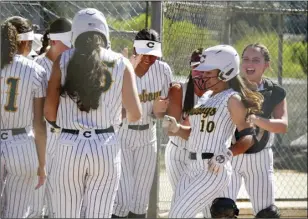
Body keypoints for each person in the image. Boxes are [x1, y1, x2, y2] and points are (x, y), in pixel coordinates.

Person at [44, 8, 142, 218]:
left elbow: (49, 112)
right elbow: (135, 114)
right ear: (104, 32)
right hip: (105, 144)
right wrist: (115, 114)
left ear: (75, 33)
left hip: (69, 144)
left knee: (65, 214)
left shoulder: (62, 60)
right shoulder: (121, 62)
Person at [162, 45, 264, 218]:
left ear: (225, 72)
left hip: (212, 169)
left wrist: (227, 154)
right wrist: (178, 129)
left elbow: (249, 137)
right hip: (191, 167)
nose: (203, 76)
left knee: (178, 215)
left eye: (209, 73)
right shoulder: (207, 96)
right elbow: (196, 134)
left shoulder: (232, 99)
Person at [209, 43, 288, 218]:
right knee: (222, 209)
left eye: (256, 60)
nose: (249, 64)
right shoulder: (229, 87)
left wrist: (256, 120)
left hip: (260, 157)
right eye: (245, 59)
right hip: (231, 154)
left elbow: (283, 125)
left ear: (266, 64)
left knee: (267, 214)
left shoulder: (275, 91)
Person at [112, 28, 172, 218]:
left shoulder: (163, 70)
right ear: (135, 49)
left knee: (140, 199)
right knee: (122, 197)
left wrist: (160, 112)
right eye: (145, 53)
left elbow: (165, 109)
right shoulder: (121, 67)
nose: (149, 58)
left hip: (148, 135)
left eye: (153, 54)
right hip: (122, 133)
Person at [0, 16, 47, 218]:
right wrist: (42, 164)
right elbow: (38, 124)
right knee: (17, 213)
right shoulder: (36, 70)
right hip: (21, 144)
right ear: (26, 41)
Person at [34, 17, 72, 218]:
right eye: (67, 43)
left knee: (59, 200)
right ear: (54, 42)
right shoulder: (37, 66)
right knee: (37, 197)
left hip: (63, 138)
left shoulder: (69, 64)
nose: (70, 48)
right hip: (41, 137)